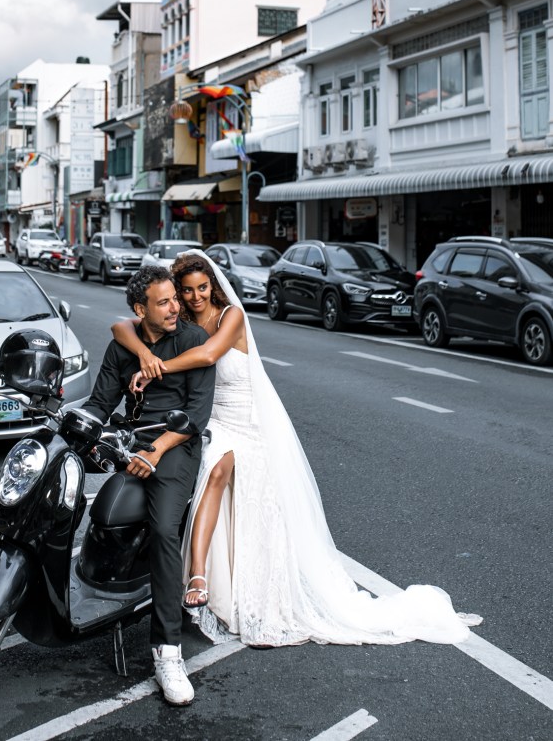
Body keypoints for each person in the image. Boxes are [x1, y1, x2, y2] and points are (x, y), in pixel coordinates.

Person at [113, 252, 482, 650]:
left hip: (245, 417)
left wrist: (156, 368)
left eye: (202, 288)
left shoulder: (230, 316)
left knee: (226, 473)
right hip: (208, 415)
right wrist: (147, 353)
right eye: (186, 291)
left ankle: (209, 578)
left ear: (214, 286)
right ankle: (202, 578)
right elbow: (121, 327)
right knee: (207, 470)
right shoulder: (179, 322)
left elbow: (206, 356)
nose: (195, 296)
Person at [83, 265, 215, 706]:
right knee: (85, 505)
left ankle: (167, 651)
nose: (178, 306)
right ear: (141, 310)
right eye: (165, 302)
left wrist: (156, 450)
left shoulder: (194, 341)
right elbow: (100, 403)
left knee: (163, 531)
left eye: (175, 298)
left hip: (175, 445)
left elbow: (196, 415)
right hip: (131, 442)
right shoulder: (124, 347)